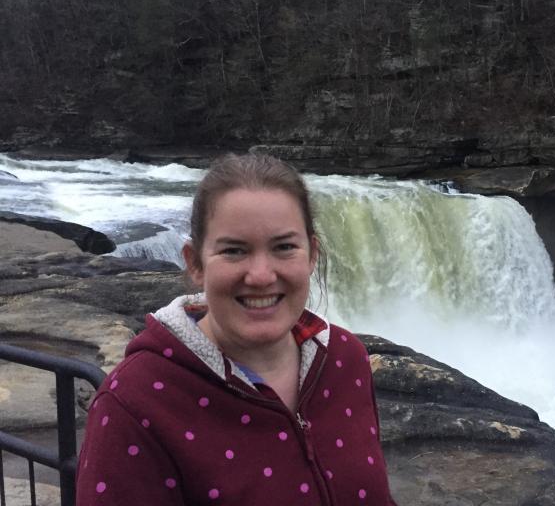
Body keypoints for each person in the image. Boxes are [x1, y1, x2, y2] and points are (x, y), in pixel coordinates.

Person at [76, 153, 397, 505]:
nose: (260, 275)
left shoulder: (344, 359)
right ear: (195, 263)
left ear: (312, 254)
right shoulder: (134, 404)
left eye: (284, 247)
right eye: (234, 251)